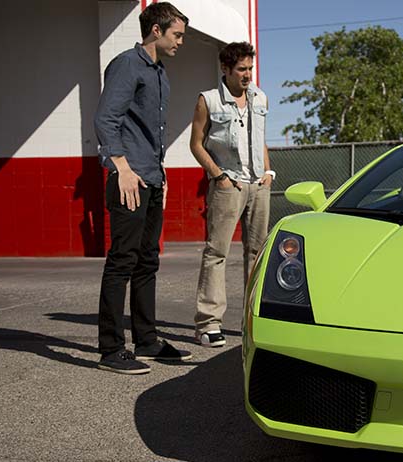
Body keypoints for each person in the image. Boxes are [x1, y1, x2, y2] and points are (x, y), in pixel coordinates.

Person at [94, 2, 191, 374]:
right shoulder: (127, 64)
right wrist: (121, 167)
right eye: (177, 34)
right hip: (128, 180)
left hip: (151, 177)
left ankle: (146, 340)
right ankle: (111, 348)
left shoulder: (161, 74)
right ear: (156, 30)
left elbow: (152, 134)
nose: (180, 41)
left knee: (147, 261)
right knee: (122, 260)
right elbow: (106, 118)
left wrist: (159, 175)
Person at [190, 42, 273, 347]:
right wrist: (218, 175)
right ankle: (208, 323)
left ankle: (251, 321)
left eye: (250, 68)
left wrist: (269, 172)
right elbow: (196, 144)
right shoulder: (208, 101)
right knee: (216, 253)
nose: (247, 75)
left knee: (257, 255)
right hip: (228, 185)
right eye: (241, 69)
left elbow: (261, 138)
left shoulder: (260, 97)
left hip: (258, 185)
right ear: (225, 69)